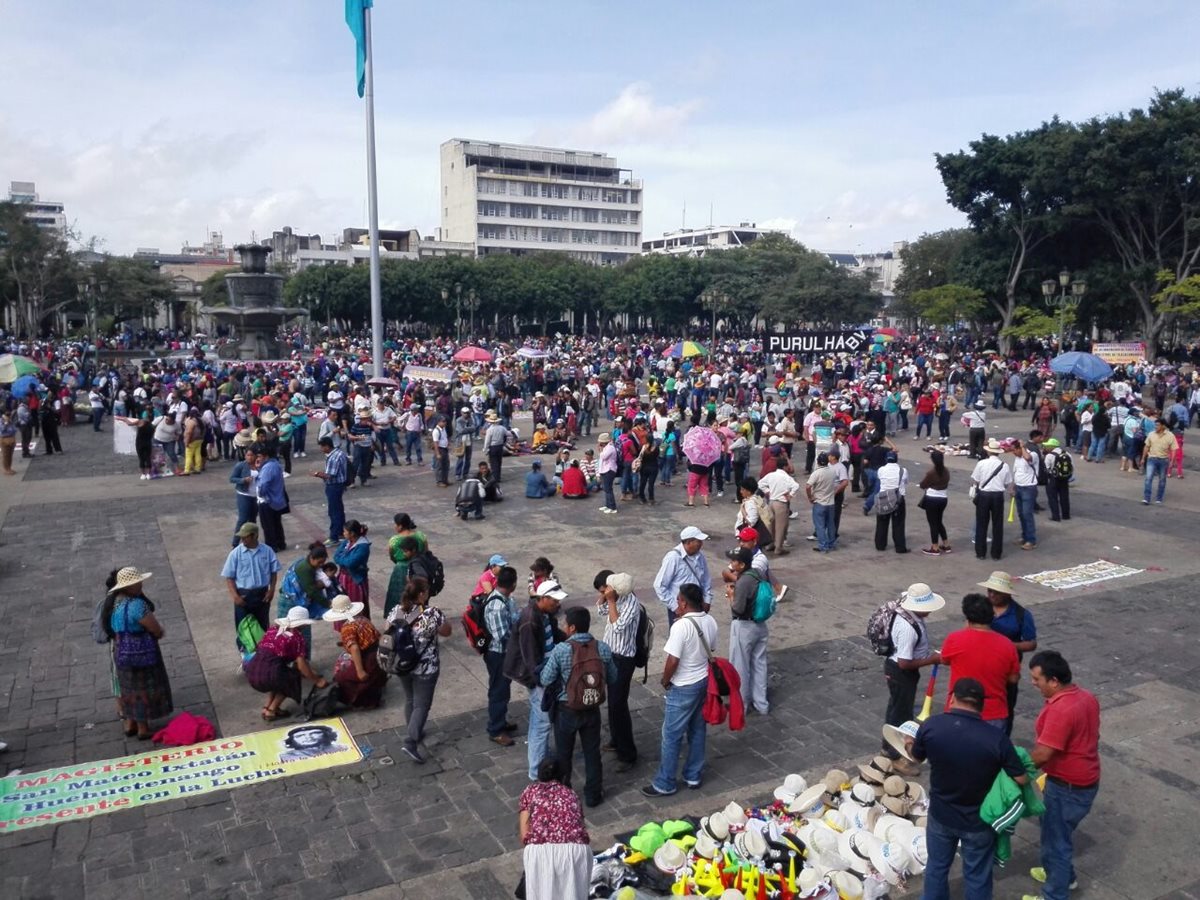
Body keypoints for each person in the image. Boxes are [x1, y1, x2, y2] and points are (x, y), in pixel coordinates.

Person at [908, 678, 1028, 900]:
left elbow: (915, 757)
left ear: (952, 698)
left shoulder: (931, 726)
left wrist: (908, 742)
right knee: (977, 876)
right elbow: (1020, 779)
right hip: (978, 822)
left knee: (936, 868)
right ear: (981, 705)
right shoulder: (996, 739)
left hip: (941, 816)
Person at [1022, 651, 1101, 900]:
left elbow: (1044, 754)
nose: (1034, 683)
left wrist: (1017, 766)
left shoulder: (1062, 710)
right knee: (1057, 834)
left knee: (1056, 843)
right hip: (1085, 780)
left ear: (1054, 681)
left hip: (1067, 788)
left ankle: (1055, 894)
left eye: (1037, 679)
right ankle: (1065, 878)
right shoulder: (1085, 698)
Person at [641, 583, 717, 797]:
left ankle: (665, 782)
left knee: (671, 735)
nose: (677, 604)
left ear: (684, 602)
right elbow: (710, 649)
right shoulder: (710, 621)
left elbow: (673, 659)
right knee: (697, 730)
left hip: (683, 685)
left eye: (678, 600)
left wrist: (666, 680)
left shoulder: (681, 626)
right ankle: (693, 775)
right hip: (703, 681)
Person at [540, 607, 618, 807]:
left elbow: (545, 678)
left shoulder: (561, 650)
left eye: (566, 623)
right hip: (591, 707)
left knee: (563, 754)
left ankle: (564, 796)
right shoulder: (602, 648)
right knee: (592, 752)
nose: (564, 627)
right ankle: (593, 795)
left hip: (566, 709)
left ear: (572, 628)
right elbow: (613, 677)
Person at [506, 577, 566, 779]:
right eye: (554, 600)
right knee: (542, 724)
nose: (558, 604)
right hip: (539, 677)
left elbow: (554, 634)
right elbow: (531, 659)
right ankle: (536, 772)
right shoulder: (530, 619)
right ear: (543, 598)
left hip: (544, 672)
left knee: (537, 723)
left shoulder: (545, 614)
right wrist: (544, 681)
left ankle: (540, 758)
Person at [881, 582, 943, 775]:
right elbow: (904, 663)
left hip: (899, 672)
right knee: (901, 713)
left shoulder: (909, 616)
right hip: (901, 674)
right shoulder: (907, 628)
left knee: (896, 707)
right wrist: (932, 659)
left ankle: (887, 747)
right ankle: (894, 756)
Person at [389, 577, 452, 764]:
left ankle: (413, 729)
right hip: (426, 667)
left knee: (410, 699)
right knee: (422, 705)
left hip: (402, 665)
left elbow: (387, 632)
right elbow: (447, 631)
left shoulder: (395, 611)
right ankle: (410, 741)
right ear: (422, 594)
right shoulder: (432, 614)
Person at [108, 567, 172, 740]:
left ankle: (131, 723)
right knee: (143, 687)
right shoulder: (138, 605)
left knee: (128, 688)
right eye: (138, 582)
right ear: (130, 586)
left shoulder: (116, 603)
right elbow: (154, 628)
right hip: (141, 651)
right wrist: (159, 632)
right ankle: (143, 728)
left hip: (121, 650)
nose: (141, 584)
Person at [940, 593, 1021, 729]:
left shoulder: (954, 639)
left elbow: (944, 660)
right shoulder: (1007, 645)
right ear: (992, 616)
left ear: (967, 617)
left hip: (959, 709)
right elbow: (1013, 678)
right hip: (993, 712)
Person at [518, 758, 593, 900]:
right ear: (562, 776)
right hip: (576, 853)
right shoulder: (572, 794)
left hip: (540, 852)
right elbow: (580, 827)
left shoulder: (530, 791)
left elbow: (524, 835)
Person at [979, 571, 1038, 735]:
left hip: (1007, 670)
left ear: (1006, 593)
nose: (991, 595)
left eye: (996, 592)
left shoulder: (1021, 615)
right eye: (989, 591)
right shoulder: (982, 607)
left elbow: (1031, 643)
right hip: (982, 666)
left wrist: (1007, 645)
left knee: (1005, 707)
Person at [593, 571, 641, 772]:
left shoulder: (631, 604)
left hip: (623, 659)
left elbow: (618, 626)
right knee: (612, 703)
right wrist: (604, 598)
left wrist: (611, 601)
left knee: (618, 705)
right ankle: (615, 739)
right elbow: (601, 612)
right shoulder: (617, 598)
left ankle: (628, 753)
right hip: (611, 656)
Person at [244, 607, 328, 721]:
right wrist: (317, 680)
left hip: (252, 671)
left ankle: (267, 706)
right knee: (291, 677)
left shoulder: (273, 630)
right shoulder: (297, 638)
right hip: (269, 675)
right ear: (302, 624)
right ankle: (272, 710)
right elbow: (301, 665)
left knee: (276, 672)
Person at [221, 522, 280, 651]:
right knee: (243, 628)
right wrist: (235, 596)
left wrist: (271, 590)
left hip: (262, 595)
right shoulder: (235, 554)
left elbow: (273, 572)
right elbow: (229, 577)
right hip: (243, 595)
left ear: (254, 536)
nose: (242, 539)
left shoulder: (267, 551)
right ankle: (245, 656)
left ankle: (262, 655)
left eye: (245, 537)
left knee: (262, 626)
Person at [725, 547, 769, 715]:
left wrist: (730, 596)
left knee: (740, 667)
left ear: (742, 564)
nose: (731, 563)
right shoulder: (757, 573)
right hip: (760, 624)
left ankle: (741, 706)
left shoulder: (744, 582)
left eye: (734, 561)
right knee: (759, 665)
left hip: (744, 627)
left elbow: (737, 609)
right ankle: (761, 703)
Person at [323, 594, 387, 709]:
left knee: (340, 676)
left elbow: (355, 648)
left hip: (368, 659)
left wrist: (360, 671)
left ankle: (360, 701)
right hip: (378, 656)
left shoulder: (347, 628)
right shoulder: (363, 619)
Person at [484, 565, 521, 746]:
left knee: (503, 689)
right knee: (498, 690)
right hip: (498, 653)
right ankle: (496, 729)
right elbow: (501, 635)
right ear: (513, 584)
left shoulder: (507, 600)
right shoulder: (497, 605)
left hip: (505, 652)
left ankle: (501, 720)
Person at [276, 543, 331, 655]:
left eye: (322, 563)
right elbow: (312, 591)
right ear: (311, 558)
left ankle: (301, 661)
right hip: (289, 602)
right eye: (319, 562)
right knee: (288, 631)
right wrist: (328, 603)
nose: (320, 566)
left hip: (295, 601)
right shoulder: (305, 569)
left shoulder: (307, 564)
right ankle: (294, 660)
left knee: (301, 632)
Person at [652, 526, 713, 628]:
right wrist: (676, 607)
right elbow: (659, 585)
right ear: (689, 542)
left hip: (698, 606)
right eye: (698, 541)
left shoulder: (700, 556)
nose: (701, 544)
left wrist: (707, 600)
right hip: (680, 608)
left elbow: (706, 580)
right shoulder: (673, 558)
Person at [971, 439, 1012, 560]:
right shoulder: (1004, 466)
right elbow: (1007, 483)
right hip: (998, 495)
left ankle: (980, 552)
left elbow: (975, 480)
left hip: (984, 495)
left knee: (981, 524)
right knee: (997, 525)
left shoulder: (981, 463)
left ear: (988, 452)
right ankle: (996, 553)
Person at [313, 435, 348, 545]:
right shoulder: (340, 453)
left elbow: (330, 475)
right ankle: (342, 532)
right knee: (339, 509)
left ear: (327, 446)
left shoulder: (333, 457)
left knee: (334, 511)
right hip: (340, 484)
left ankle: (334, 536)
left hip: (334, 485)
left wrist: (318, 474)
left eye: (322, 447)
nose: (321, 449)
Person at [758, 464, 799, 556]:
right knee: (780, 527)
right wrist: (790, 495)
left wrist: (767, 491)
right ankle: (778, 548)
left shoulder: (771, 475)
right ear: (784, 467)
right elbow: (796, 486)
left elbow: (760, 484)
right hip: (781, 503)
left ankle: (770, 544)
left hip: (771, 502)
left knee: (770, 525)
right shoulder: (786, 477)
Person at [873, 449, 909, 553]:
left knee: (881, 523)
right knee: (898, 524)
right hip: (898, 499)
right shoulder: (903, 470)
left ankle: (880, 545)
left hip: (883, 498)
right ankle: (900, 547)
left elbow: (880, 480)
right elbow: (906, 482)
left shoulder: (881, 470)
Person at [333, 520, 372, 616]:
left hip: (355, 580)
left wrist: (342, 560)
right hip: (343, 579)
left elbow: (351, 563)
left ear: (352, 533)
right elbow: (335, 556)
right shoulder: (347, 541)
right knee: (343, 605)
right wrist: (344, 560)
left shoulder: (363, 547)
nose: (343, 533)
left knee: (355, 606)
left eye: (345, 531)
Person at [254, 443, 288, 552]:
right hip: (276, 500)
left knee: (268, 526)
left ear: (265, 456)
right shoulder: (275, 464)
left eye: (259, 456)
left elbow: (263, 485)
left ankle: (272, 546)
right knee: (276, 523)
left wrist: (260, 494)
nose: (258, 458)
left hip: (267, 501)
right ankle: (280, 543)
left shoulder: (268, 467)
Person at [919, 449, 952, 556]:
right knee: (939, 522)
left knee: (933, 523)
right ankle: (946, 544)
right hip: (943, 498)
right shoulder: (946, 471)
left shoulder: (931, 473)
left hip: (932, 499)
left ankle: (935, 547)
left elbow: (922, 485)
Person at [805, 451, 840, 553]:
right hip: (830, 503)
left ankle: (823, 546)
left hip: (819, 502)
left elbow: (808, 486)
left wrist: (810, 497)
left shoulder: (816, 473)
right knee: (831, 525)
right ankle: (831, 543)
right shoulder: (832, 472)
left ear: (818, 462)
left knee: (820, 526)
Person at [1010, 438, 1040, 550]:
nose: (1013, 453)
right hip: (1018, 487)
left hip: (1029, 488)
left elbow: (1028, 458)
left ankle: (1031, 540)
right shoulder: (1017, 459)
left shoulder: (1032, 455)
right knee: (1021, 514)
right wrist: (1012, 487)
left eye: (1014, 450)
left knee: (1027, 514)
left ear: (1020, 448)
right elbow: (1016, 472)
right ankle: (1024, 536)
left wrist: (1023, 447)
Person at [1141, 417, 1176, 505]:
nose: (1155, 427)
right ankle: (1146, 498)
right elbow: (1146, 446)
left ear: (1163, 426)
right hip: (1151, 459)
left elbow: (1174, 449)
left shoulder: (1170, 435)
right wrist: (1143, 458)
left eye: (1157, 425)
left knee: (1162, 480)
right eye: (1155, 425)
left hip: (1164, 460)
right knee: (1148, 478)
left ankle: (1159, 498)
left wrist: (1172, 461)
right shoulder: (1151, 434)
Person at [279, 724, 349, 762]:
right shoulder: (287, 756)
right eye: (300, 736)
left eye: (315, 733)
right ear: (292, 740)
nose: (308, 738)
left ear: (327, 734)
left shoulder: (342, 748)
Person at [1042, 438, 1072, 522]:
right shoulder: (1067, 454)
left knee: (1052, 497)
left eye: (1047, 446)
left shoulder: (1049, 455)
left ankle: (1056, 516)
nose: (1046, 447)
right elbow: (1071, 466)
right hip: (1064, 478)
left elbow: (1046, 468)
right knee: (1064, 496)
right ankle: (1066, 515)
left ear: (1052, 446)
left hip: (1053, 479)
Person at [596, 432, 619, 514]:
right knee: (606, 489)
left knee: (608, 489)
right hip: (604, 470)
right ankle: (607, 505)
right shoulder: (606, 447)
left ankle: (612, 507)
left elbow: (603, 457)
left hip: (609, 470)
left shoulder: (610, 448)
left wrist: (600, 451)